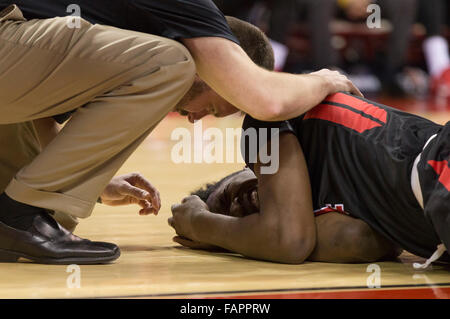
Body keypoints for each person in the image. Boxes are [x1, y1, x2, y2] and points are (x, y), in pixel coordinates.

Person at [0, 1, 360, 265]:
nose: (196, 118)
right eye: (216, 107)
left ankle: (17, 215)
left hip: (11, 61)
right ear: (224, 63)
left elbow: (38, 110)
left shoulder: (114, 37)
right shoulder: (194, 13)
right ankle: (17, 215)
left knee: (49, 217)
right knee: (170, 63)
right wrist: (324, 78)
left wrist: (91, 179)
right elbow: (267, 101)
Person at [169, 25, 450, 267]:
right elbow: (360, 243)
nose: (243, 203)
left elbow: (287, 240)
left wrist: (201, 224)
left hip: (438, 164)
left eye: (228, 194)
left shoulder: (265, 118)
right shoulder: (338, 204)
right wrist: (235, 237)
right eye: (236, 215)